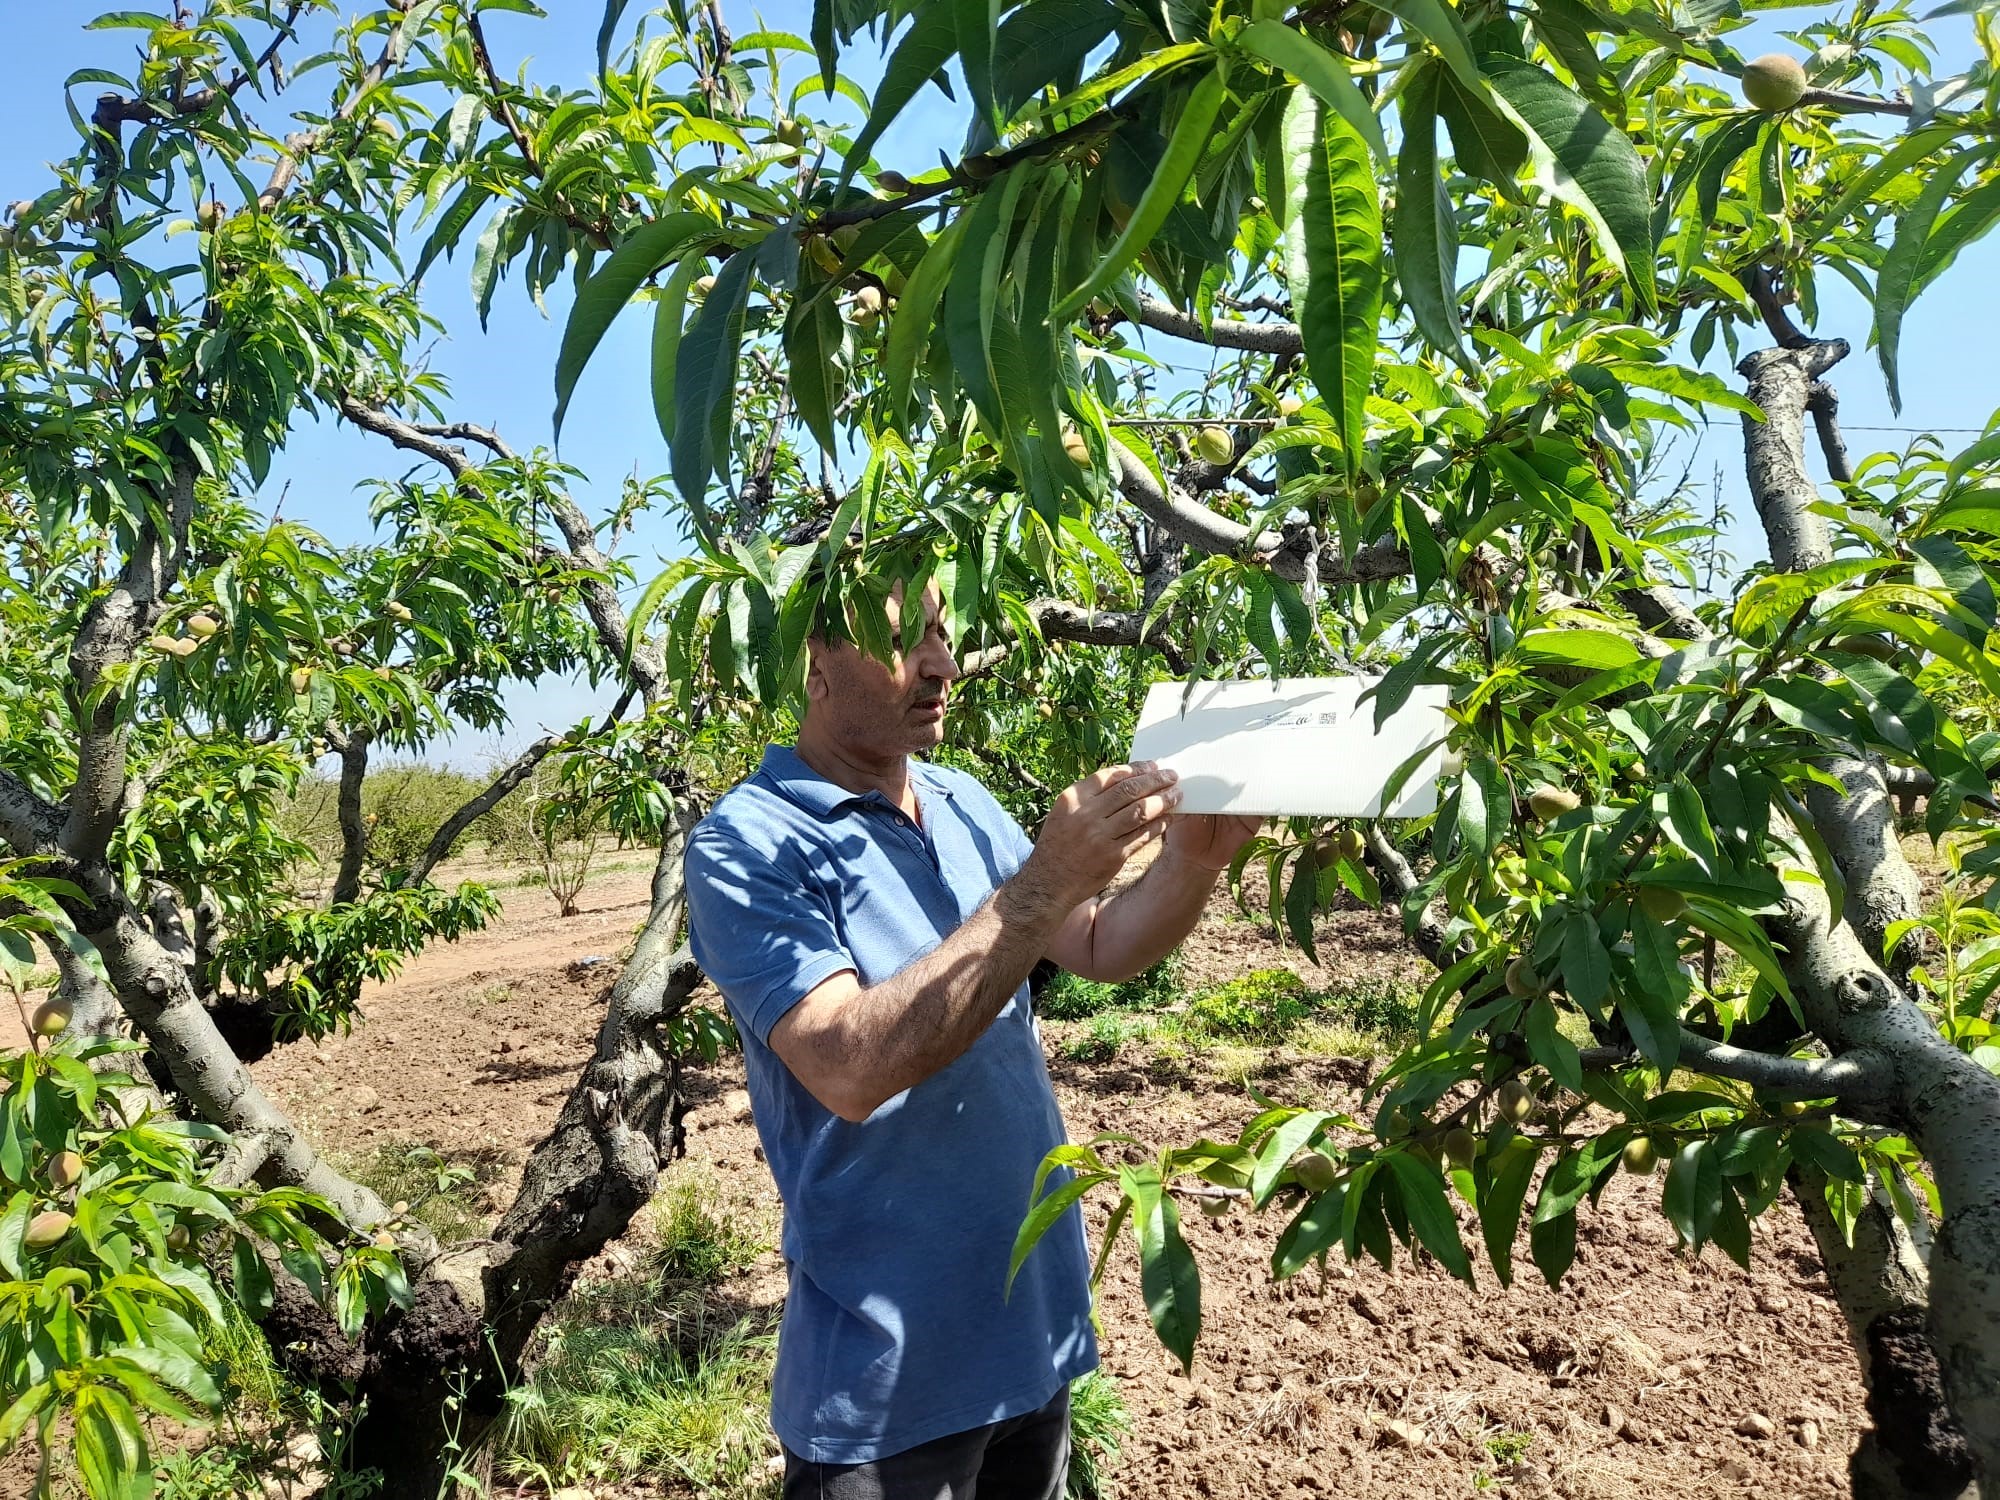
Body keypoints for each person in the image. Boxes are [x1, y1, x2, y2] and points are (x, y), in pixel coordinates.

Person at [683, 579, 1259, 1500]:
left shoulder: (961, 800)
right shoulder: (747, 845)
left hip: (1031, 1326)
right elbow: (847, 1064)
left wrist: (1193, 859)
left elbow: (1100, 942)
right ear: (812, 660)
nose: (942, 665)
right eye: (906, 641)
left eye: (944, 635)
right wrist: (1042, 878)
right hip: (888, 1379)